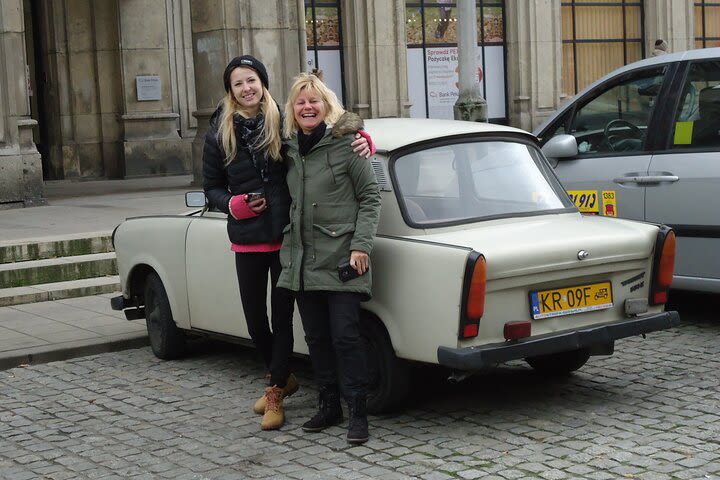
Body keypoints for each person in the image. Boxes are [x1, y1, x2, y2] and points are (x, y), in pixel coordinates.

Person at [202, 56, 372, 431]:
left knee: (296, 324)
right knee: (257, 322)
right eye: (238, 83)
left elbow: (331, 135)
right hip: (249, 238)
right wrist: (234, 205)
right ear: (230, 91)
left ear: (263, 83)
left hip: (288, 241)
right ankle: (292, 381)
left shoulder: (284, 123)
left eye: (252, 80)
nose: (246, 88)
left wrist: (362, 137)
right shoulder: (219, 131)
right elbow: (210, 186)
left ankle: (280, 390)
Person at [278, 73, 381, 445]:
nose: (307, 107)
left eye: (314, 101)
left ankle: (358, 412)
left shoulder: (348, 145)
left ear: (326, 106)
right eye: (300, 102)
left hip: (343, 259)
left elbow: (371, 197)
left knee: (345, 338)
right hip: (303, 261)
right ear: (292, 109)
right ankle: (329, 405)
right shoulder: (288, 149)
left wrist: (360, 246)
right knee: (317, 338)